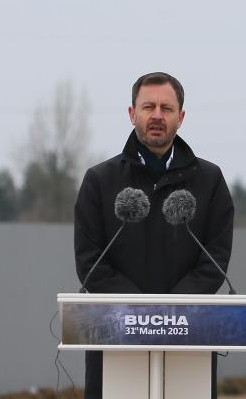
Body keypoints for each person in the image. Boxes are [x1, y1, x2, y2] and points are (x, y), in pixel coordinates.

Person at [74, 72, 234, 399]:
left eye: (167, 108)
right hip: (115, 341)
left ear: (181, 117)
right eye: (148, 107)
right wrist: (141, 314)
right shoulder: (99, 181)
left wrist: (171, 314)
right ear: (132, 114)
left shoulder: (210, 181)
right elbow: (90, 262)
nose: (157, 115)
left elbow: (214, 260)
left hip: (189, 340)